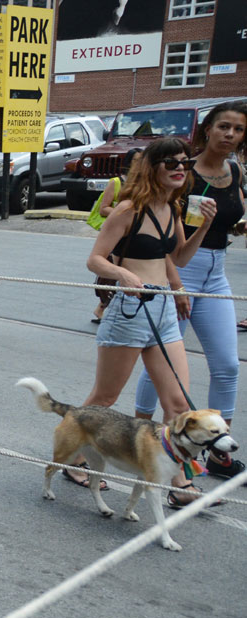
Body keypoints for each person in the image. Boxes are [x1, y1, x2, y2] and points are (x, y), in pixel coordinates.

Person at [77, 137, 218, 502]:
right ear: (152, 166)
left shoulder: (172, 208)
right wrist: (123, 275)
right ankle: (75, 460)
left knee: (178, 406)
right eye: (170, 163)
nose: (178, 169)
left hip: (163, 312)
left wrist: (204, 226)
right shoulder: (129, 208)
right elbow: (96, 259)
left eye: (184, 164)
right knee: (104, 399)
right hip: (128, 312)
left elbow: (180, 258)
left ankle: (180, 484)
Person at [133, 102, 247, 481]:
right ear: (208, 130)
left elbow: (231, 216)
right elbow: (165, 239)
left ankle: (218, 450)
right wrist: (176, 286)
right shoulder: (184, 172)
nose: (230, 135)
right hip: (179, 272)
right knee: (162, 363)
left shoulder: (235, 170)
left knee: (228, 365)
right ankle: (142, 431)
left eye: (238, 129)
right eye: (224, 127)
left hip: (217, 272)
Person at [88, 148, 143, 323]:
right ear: (128, 163)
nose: (140, 165)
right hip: (116, 235)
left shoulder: (144, 184)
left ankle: (108, 307)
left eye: (143, 161)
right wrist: (124, 212)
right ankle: (103, 305)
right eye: (136, 161)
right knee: (111, 270)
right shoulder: (116, 182)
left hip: (135, 234)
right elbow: (104, 208)